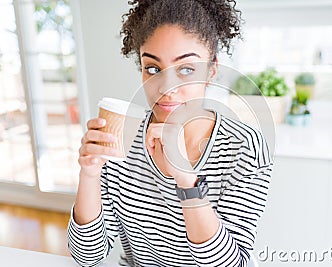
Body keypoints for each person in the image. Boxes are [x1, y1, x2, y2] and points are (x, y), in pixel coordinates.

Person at [67, 0, 273, 266]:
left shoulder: (244, 147)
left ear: (211, 70)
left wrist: (187, 181)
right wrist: (90, 173)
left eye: (186, 69)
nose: (166, 87)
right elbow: (87, 257)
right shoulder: (122, 139)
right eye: (152, 68)